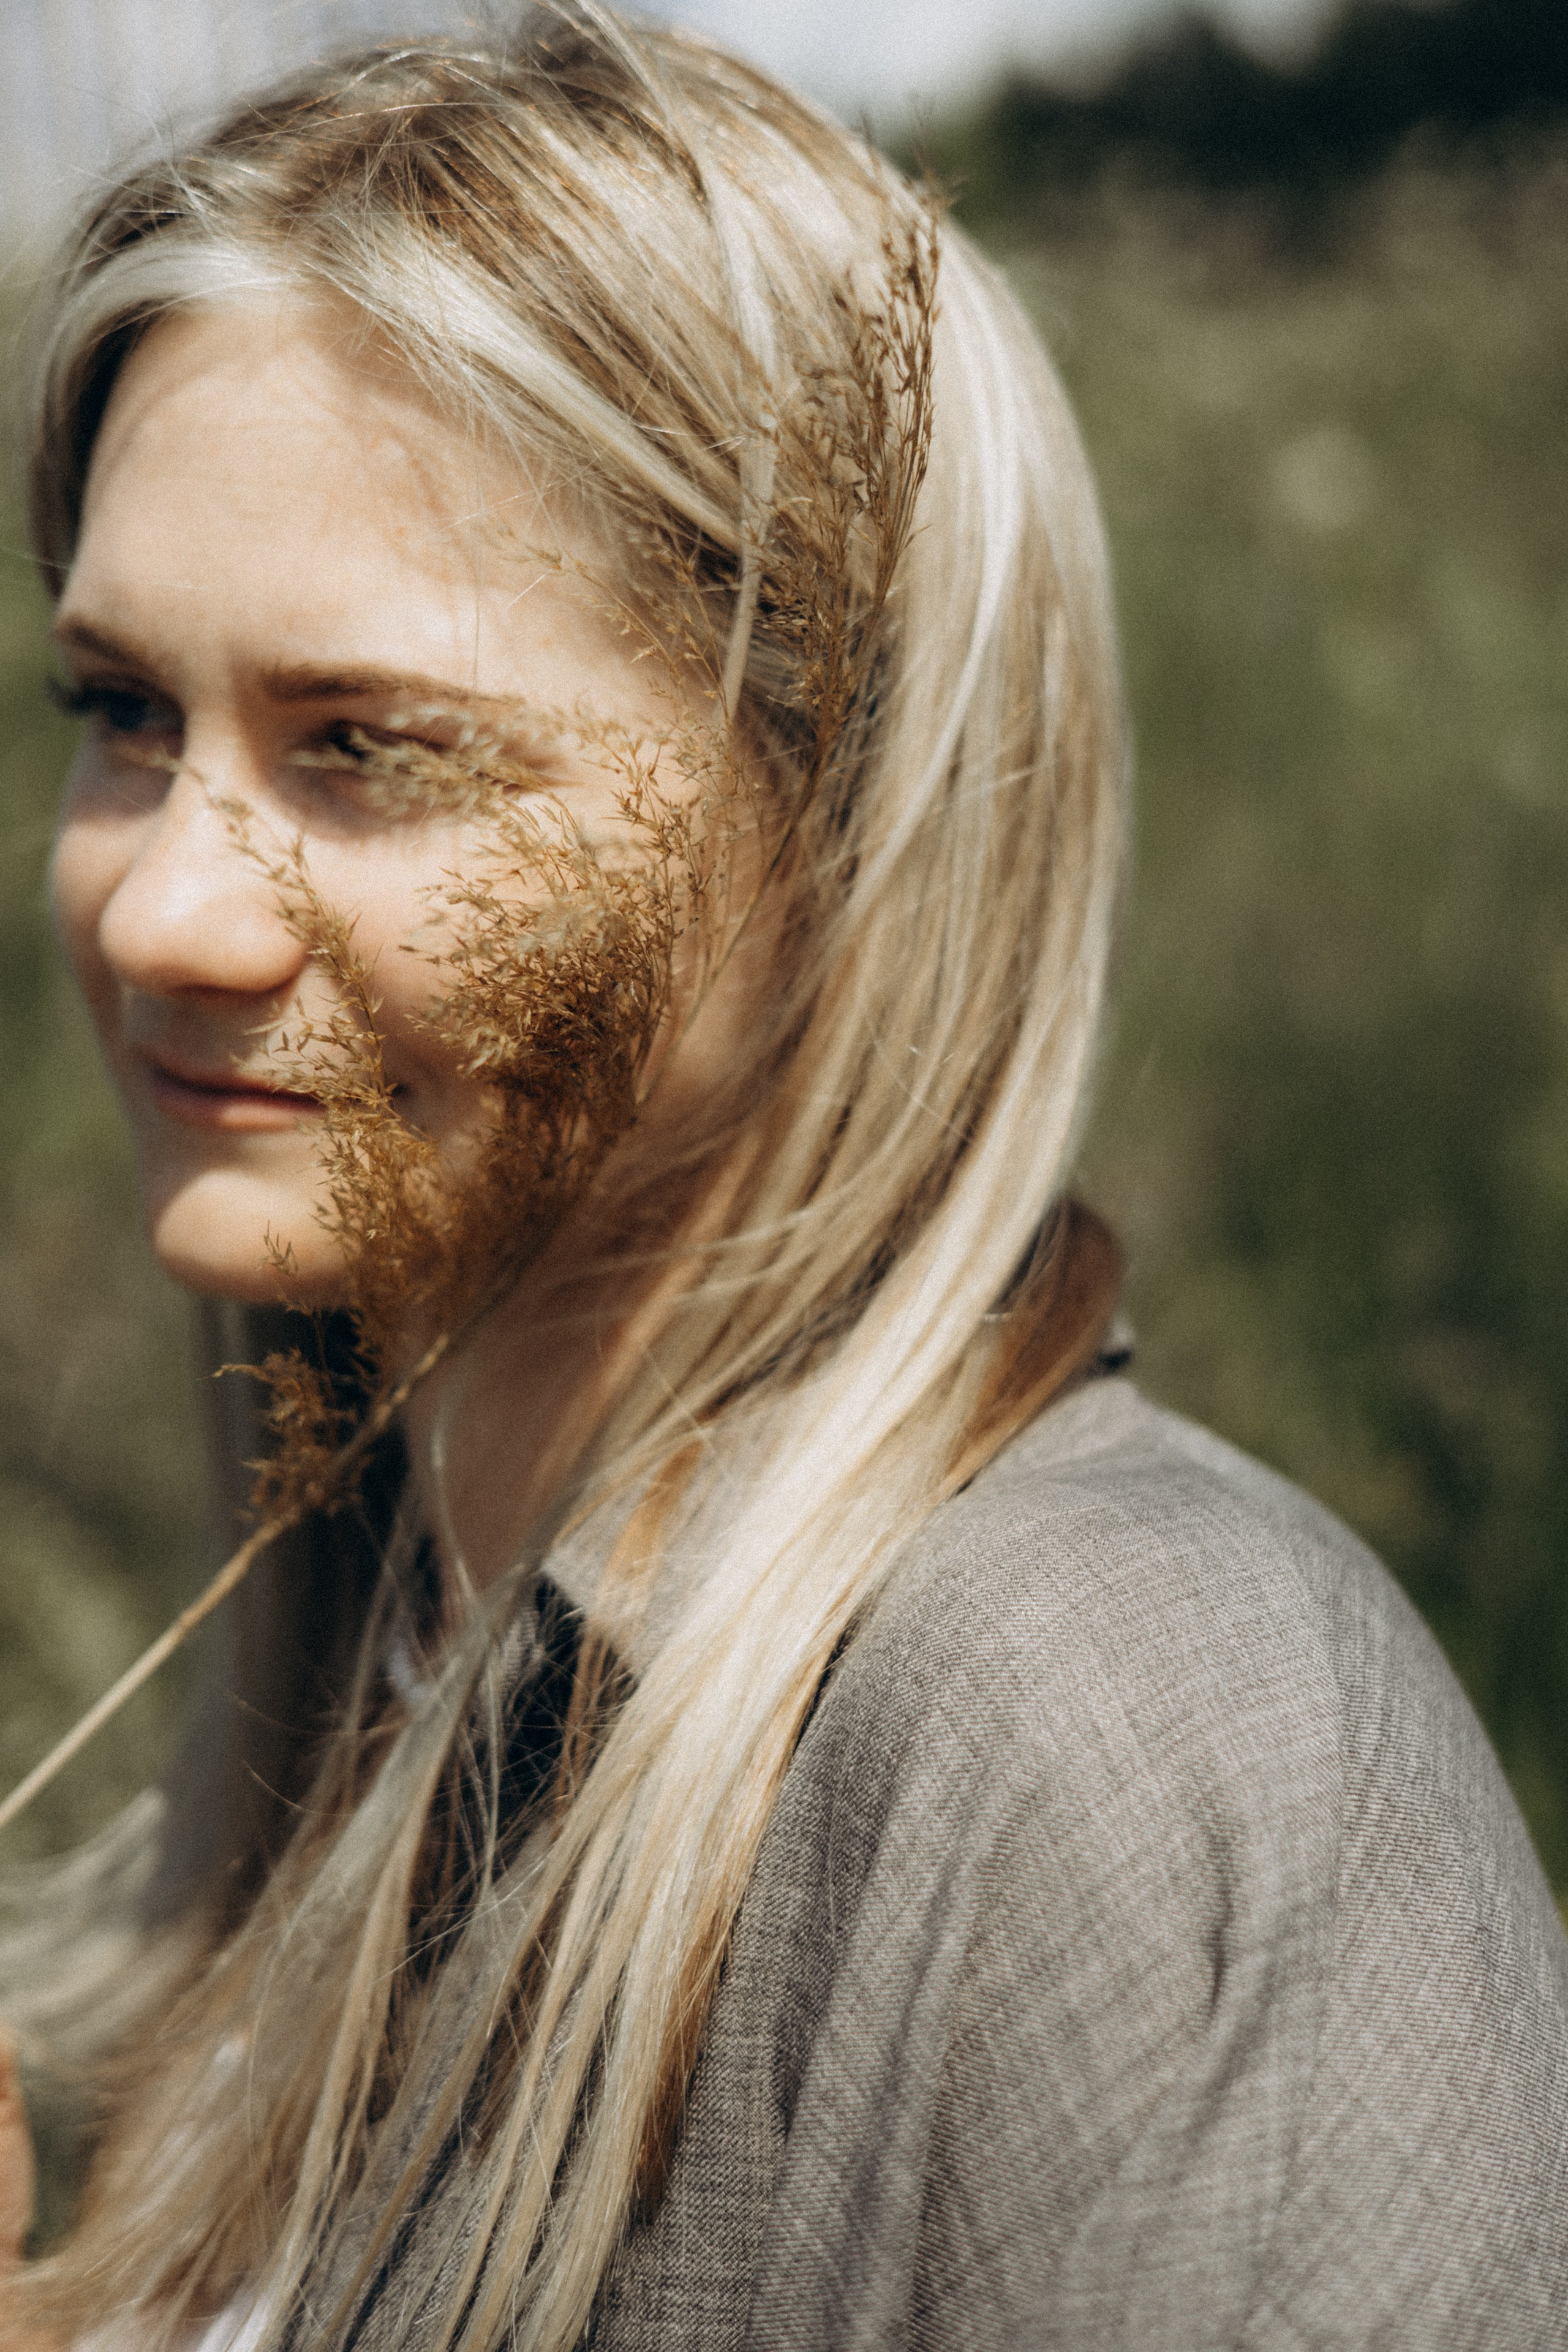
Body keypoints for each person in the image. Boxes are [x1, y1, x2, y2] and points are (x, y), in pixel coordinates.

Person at [1, 9, 1565, 2349]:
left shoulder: (1131, 1747)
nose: (160, 908)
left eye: (373, 751)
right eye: (124, 711)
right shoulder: (356, 1712)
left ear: (840, 820)